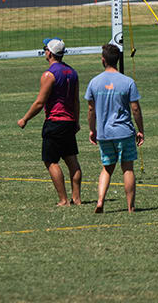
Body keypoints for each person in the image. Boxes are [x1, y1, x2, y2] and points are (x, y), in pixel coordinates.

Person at [17, 37, 83, 207]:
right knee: (71, 160)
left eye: (45, 48)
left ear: (50, 53)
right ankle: (77, 198)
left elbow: (40, 102)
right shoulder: (72, 72)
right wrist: (76, 120)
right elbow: (76, 101)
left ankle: (63, 200)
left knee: (51, 161)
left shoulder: (49, 74)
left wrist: (25, 119)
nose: (44, 51)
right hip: (69, 122)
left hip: (55, 122)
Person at [85, 44, 144, 213]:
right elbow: (135, 109)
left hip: (104, 133)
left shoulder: (94, 82)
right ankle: (130, 206)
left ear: (103, 60)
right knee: (127, 168)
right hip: (124, 131)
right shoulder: (128, 82)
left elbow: (91, 109)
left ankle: (100, 201)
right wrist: (140, 130)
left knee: (106, 168)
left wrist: (92, 130)